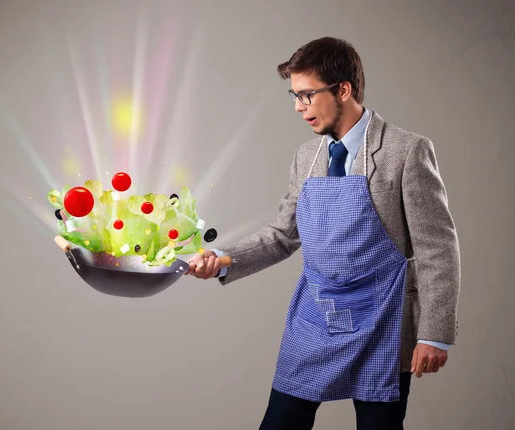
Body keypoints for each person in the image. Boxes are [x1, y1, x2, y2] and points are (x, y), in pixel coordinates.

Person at [185, 37, 460, 430]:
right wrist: (222, 261)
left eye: (307, 95)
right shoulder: (305, 157)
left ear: (343, 90)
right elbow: (283, 234)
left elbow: (438, 250)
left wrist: (435, 335)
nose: (299, 108)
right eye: (294, 96)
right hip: (317, 317)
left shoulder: (406, 151)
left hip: (383, 320)